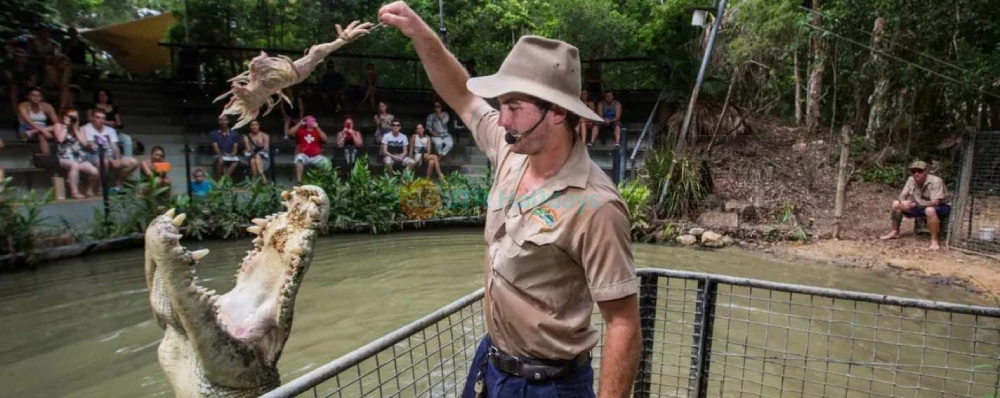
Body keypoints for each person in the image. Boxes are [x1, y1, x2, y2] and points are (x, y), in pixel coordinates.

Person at [378, 3, 641, 398]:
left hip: (550, 386)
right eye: (501, 106)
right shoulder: (512, 151)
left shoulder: (596, 206)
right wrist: (420, 34)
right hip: (492, 365)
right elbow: (463, 97)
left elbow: (623, 324)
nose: (501, 120)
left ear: (556, 112)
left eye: (514, 108)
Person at [879, 160, 950, 250]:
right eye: (913, 171)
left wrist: (916, 204)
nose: (916, 174)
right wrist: (904, 202)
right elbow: (902, 195)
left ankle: (934, 240)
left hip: (940, 207)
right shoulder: (911, 180)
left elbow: (935, 202)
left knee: (930, 210)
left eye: (920, 171)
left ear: (926, 171)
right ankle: (895, 232)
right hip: (918, 206)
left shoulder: (936, 181)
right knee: (896, 204)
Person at [287, 116, 330, 184]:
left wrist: (318, 128)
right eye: (310, 120)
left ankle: (322, 182)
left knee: (325, 162)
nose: (311, 122)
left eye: (313, 120)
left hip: (316, 156)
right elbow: (290, 133)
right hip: (304, 155)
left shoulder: (317, 131)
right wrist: (299, 124)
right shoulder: (300, 130)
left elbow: (325, 138)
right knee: (299, 158)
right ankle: (299, 182)